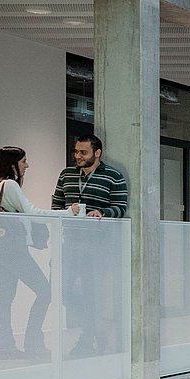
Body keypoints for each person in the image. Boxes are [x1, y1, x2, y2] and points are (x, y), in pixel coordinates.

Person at [50, 134, 128, 359]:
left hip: (98, 246)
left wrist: (101, 213)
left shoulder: (113, 176)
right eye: (76, 152)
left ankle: (87, 338)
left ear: (97, 153)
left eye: (83, 152)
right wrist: (67, 211)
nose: (78, 156)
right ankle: (91, 330)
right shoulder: (66, 175)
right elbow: (55, 205)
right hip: (70, 243)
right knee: (62, 291)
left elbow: (120, 207)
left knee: (93, 294)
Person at [0, 146, 51, 360]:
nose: (26, 166)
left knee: (5, 299)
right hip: (14, 254)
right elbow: (32, 212)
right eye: (23, 162)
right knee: (45, 292)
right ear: (13, 164)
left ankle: (5, 348)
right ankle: (32, 342)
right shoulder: (9, 184)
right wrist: (68, 214)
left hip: (1, 254)